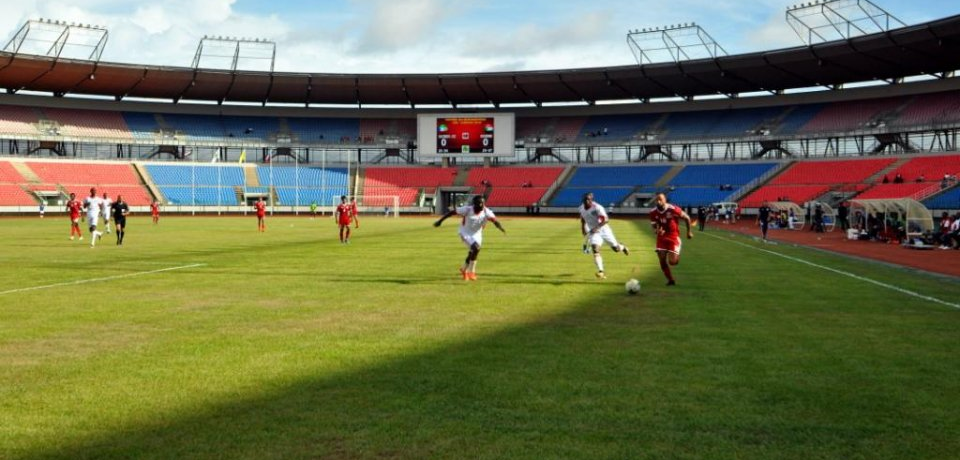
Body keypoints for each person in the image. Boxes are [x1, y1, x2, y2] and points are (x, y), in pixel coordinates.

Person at [434, 195, 505, 281]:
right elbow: (451, 213)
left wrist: (500, 228)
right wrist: (440, 221)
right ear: (474, 205)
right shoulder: (467, 209)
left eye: (482, 204)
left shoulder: (487, 211)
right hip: (465, 233)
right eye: (479, 204)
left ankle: (464, 270)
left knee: (473, 252)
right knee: (476, 248)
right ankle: (472, 272)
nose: (481, 206)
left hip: (478, 235)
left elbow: (495, 221)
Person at [578, 192, 629, 280]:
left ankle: (623, 247)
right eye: (585, 199)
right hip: (594, 233)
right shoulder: (581, 208)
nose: (587, 201)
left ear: (591, 200)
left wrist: (597, 227)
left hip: (604, 230)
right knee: (595, 248)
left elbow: (606, 220)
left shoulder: (597, 207)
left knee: (616, 249)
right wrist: (583, 228)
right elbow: (583, 218)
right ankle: (601, 271)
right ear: (583, 200)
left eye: (589, 199)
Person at [649, 192, 693, 286]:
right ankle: (670, 280)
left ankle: (675, 253)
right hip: (662, 238)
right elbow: (654, 226)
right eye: (657, 199)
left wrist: (689, 232)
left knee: (672, 262)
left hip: (673, 237)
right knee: (661, 259)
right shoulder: (653, 212)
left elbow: (687, 218)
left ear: (665, 200)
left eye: (660, 199)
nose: (658, 201)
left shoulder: (673, 209)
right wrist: (657, 231)